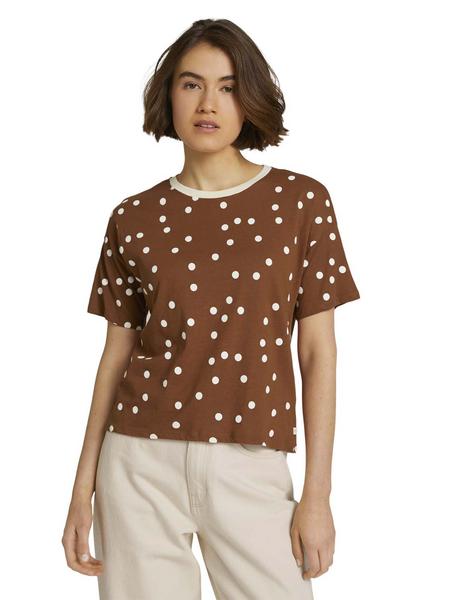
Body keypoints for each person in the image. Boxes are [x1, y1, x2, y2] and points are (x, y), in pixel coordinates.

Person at [61, 18, 360, 600]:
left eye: (228, 87)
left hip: (251, 459)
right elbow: (116, 355)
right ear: (169, 95)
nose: (208, 104)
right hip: (138, 463)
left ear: (250, 99)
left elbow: (317, 352)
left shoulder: (301, 202)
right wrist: (82, 487)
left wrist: (317, 495)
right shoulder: (133, 217)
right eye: (191, 84)